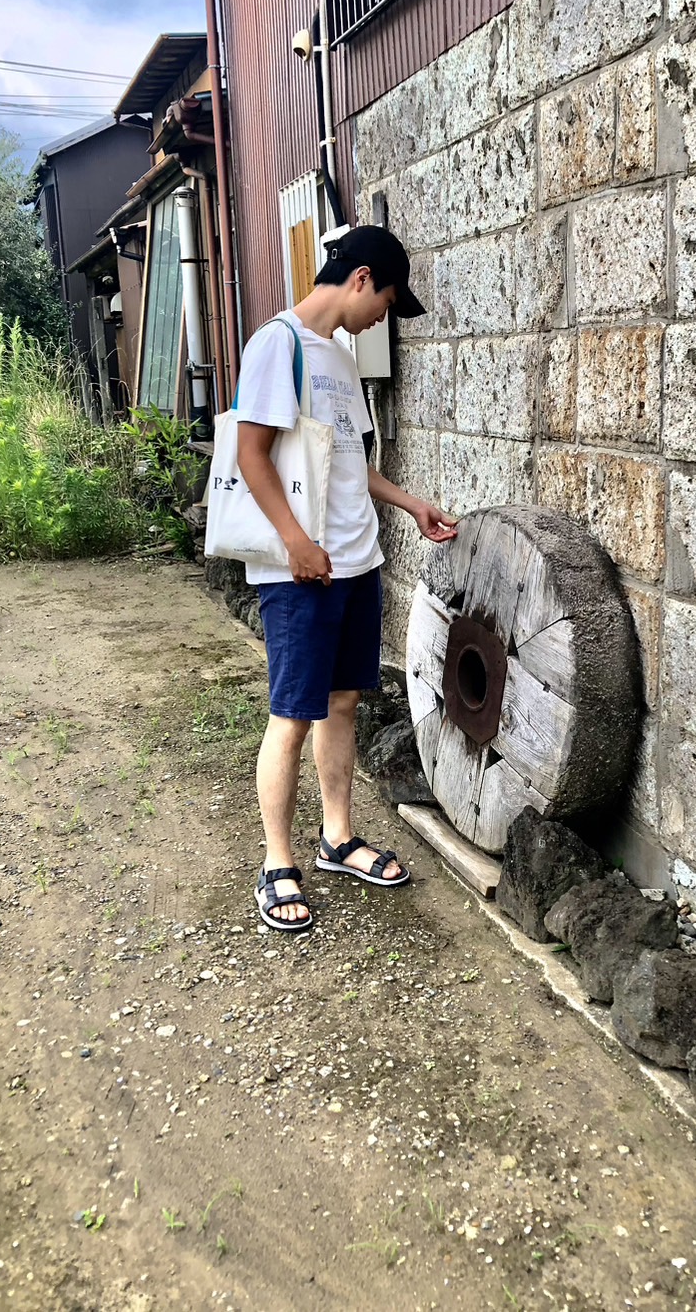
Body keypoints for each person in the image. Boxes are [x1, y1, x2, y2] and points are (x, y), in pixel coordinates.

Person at [235, 225, 457, 932]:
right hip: (301, 571)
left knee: (342, 703)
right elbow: (250, 453)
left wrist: (411, 504)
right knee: (292, 714)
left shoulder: (337, 356)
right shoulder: (277, 345)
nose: (381, 318)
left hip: (357, 562)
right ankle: (276, 863)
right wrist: (296, 542)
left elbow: (354, 463)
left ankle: (337, 837)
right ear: (361, 279)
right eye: (386, 303)